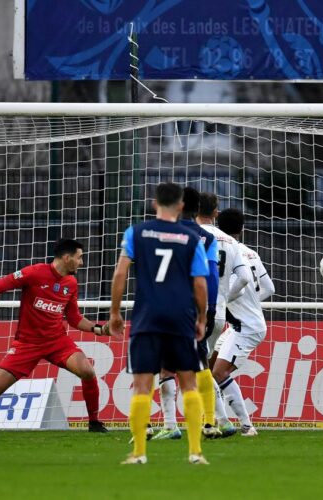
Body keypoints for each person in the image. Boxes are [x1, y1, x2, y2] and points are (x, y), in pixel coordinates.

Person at [0, 238, 119, 434]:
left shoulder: (71, 283)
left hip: (57, 341)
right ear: (67, 257)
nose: (82, 262)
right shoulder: (34, 272)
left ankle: (94, 423)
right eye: (79, 258)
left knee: (87, 371)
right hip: (27, 344)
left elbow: (73, 318)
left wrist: (101, 330)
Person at [109, 182, 210, 465]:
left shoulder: (136, 232)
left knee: (142, 386)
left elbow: (120, 273)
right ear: (180, 206)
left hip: (146, 317)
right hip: (180, 317)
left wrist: (115, 312)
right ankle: (195, 452)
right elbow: (200, 283)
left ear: (155, 204)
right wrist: (201, 318)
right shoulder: (191, 239)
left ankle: (139, 453)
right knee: (189, 383)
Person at [149, 187, 221, 441]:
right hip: (192, 309)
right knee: (201, 363)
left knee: (164, 366)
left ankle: (169, 425)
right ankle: (210, 422)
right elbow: (210, 276)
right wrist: (208, 310)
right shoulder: (206, 238)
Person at [212, 208, 275, 437]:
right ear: (242, 229)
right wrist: (251, 304)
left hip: (245, 327)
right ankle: (215, 420)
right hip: (239, 325)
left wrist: (227, 301)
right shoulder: (250, 252)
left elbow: (235, 284)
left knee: (217, 373)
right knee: (209, 369)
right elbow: (270, 288)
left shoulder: (223, 251)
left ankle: (247, 427)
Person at [197, 192, 254, 438]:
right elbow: (243, 277)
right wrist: (224, 299)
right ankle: (223, 421)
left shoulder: (193, 236)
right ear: (215, 213)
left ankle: (217, 421)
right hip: (219, 313)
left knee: (193, 367)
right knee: (202, 366)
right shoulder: (231, 243)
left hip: (198, 310)